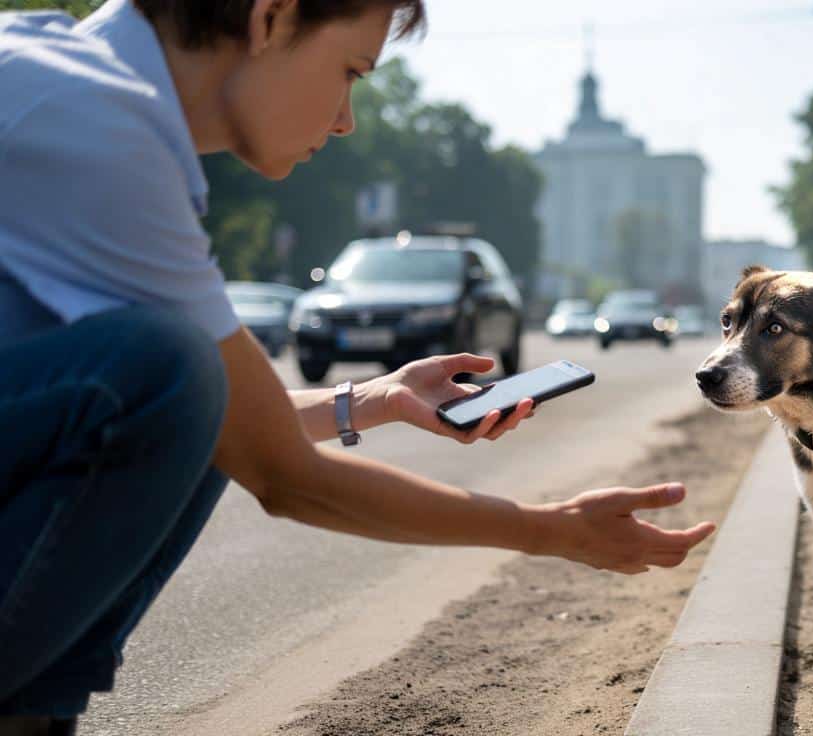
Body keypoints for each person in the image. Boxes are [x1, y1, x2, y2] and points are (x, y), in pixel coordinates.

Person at [0, 1, 716, 733]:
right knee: (175, 371)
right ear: (269, 18)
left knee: (200, 394)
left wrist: (372, 399)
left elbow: (244, 422)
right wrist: (551, 531)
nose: (345, 120)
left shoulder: (68, 82)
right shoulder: (102, 131)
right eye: (349, 72)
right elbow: (283, 474)